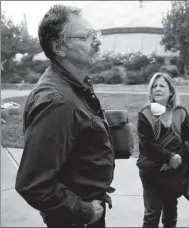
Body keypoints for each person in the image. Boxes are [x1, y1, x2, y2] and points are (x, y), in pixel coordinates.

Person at [15, 5, 114, 228]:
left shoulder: (74, 85)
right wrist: (85, 211)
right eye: (87, 36)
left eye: (95, 33)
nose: (97, 41)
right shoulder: (57, 102)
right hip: (76, 220)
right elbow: (33, 184)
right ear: (59, 46)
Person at [136, 72, 189, 227]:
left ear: (171, 91)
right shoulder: (145, 113)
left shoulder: (181, 112)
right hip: (151, 171)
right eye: (154, 86)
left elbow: (188, 141)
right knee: (152, 214)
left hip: (174, 171)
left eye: (162, 86)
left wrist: (175, 160)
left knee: (171, 212)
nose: (157, 89)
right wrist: (168, 157)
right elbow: (147, 143)